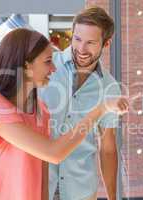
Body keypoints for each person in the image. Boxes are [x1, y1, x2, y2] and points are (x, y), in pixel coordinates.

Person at [0, 28, 128, 200]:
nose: (53, 68)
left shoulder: (41, 111)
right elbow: (54, 153)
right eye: (47, 62)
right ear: (26, 64)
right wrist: (101, 108)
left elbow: (43, 174)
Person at [40, 6, 121, 200]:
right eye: (77, 39)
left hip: (80, 191)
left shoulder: (109, 87)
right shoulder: (45, 68)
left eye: (91, 42)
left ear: (106, 43)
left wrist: (113, 197)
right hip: (39, 185)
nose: (81, 49)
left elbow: (108, 148)